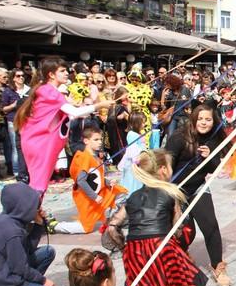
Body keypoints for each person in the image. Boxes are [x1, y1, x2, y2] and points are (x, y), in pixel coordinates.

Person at [116, 149, 236, 286]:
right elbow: (179, 229)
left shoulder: (133, 198)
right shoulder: (171, 193)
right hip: (162, 248)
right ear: (162, 170)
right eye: (170, 166)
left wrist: (127, 246)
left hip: (136, 251)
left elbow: (112, 226)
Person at [14, 58, 112, 193]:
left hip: (40, 142)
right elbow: (75, 112)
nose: (67, 73)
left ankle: (35, 212)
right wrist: (99, 105)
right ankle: (30, 212)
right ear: (51, 74)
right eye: (62, 71)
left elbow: (68, 116)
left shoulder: (49, 90)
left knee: (39, 183)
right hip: (40, 143)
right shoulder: (49, 91)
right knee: (39, 184)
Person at [166, 105, 231, 286]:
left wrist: (210, 157)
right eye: (201, 119)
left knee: (210, 225)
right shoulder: (179, 137)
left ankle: (218, 265)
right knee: (186, 231)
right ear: (194, 119)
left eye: (208, 119)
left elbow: (213, 168)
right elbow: (167, 166)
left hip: (199, 188)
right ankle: (182, 260)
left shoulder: (212, 138)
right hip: (177, 190)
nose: (204, 122)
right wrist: (170, 194)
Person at [49, 127, 127, 235]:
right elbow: (81, 181)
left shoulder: (95, 156)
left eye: (100, 139)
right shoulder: (85, 158)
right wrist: (94, 197)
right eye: (96, 140)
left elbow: (94, 176)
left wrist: (108, 182)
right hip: (87, 198)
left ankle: (113, 220)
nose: (100, 142)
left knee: (121, 193)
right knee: (85, 228)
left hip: (101, 193)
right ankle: (55, 226)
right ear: (86, 141)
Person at [0, 183, 56, 286]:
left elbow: (27, 250)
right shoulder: (12, 231)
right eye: (33, 206)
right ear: (22, 207)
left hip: (8, 270)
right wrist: (42, 281)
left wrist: (39, 224)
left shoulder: (9, 219)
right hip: (6, 282)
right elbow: (20, 268)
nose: (36, 209)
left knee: (47, 252)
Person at [117, 111, 148, 195]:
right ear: (136, 123)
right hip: (134, 162)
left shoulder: (138, 133)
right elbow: (133, 150)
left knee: (139, 180)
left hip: (140, 160)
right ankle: (132, 195)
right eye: (142, 122)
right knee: (132, 181)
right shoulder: (131, 135)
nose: (144, 124)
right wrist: (138, 159)